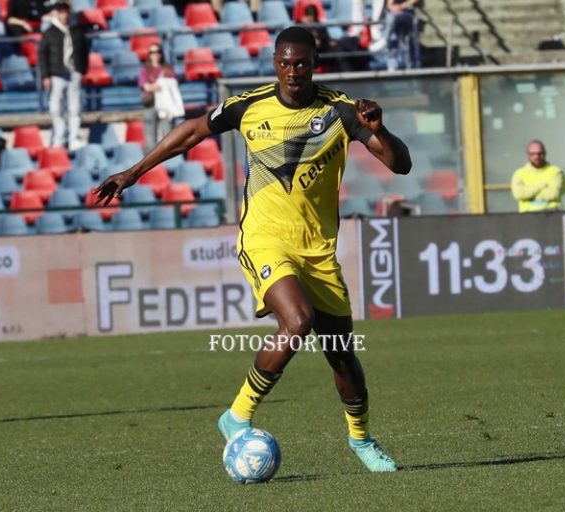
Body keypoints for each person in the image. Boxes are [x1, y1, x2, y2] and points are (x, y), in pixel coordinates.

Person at [95, 26, 411, 473]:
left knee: (342, 356)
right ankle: (237, 415)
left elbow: (400, 165)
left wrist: (382, 129)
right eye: (284, 63)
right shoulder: (250, 105)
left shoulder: (342, 111)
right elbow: (190, 132)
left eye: (301, 63)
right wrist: (134, 171)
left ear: (314, 64)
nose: (293, 71)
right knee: (297, 320)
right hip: (265, 239)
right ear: (275, 65)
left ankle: (361, 440)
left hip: (318, 250)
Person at [38, 1, 86, 151]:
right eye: (61, 12)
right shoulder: (49, 33)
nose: (64, 15)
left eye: (66, 12)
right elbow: (42, 55)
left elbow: (84, 51)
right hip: (57, 74)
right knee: (56, 108)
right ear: (56, 13)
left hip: (73, 73)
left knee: (75, 107)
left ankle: (74, 138)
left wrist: (81, 70)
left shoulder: (76, 31)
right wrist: (46, 75)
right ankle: (59, 138)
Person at [510, 140, 565, 213]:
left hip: (552, 214)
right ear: (528, 155)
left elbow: (554, 194)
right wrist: (542, 185)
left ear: (545, 153)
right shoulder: (519, 174)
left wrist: (528, 195)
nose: (536, 156)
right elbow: (518, 194)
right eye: (533, 154)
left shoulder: (555, 172)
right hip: (527, 216)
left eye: (540, 153)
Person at [138, 43, 177, 151]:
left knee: (168, 135)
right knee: (150, 138)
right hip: (151, 104)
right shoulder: (145, 70)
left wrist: (157, 85)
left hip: (165, 104)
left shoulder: (167, 69)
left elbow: (173, 84)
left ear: (161, 53)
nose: (155, 55)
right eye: (152, 52)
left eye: (157, 52)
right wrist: (159, 85)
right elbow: (146, 87)